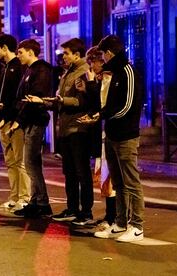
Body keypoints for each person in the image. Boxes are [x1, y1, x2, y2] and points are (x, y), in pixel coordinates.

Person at [78, 35, 145, 242]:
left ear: (109, 53)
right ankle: (120, 223)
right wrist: (99, 115)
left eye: (103, 54)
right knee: (118, 183)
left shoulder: (127, 72)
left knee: (131, 181)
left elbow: (128, 106)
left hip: (126, 135)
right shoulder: (114, 73)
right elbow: (109, 104)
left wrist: (102, 115)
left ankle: (137, 226)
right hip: (112, 134)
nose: (102, 59)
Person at [50, 38, 94, 225]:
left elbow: (85, 102)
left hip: (79, 128)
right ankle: (72, 208)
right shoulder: (68, 72)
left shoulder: (84, 72)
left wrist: (62, 101)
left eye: (66, 53)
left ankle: (86, 211)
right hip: (66, 128)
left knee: (82, 171)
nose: (63, 57)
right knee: (69, 172)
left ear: (77, 54)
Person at [10, 39, 53, 218]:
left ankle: (42, 202)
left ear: (30, 52)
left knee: (30, 163)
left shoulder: (41, 70)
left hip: (36, 120)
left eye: (20, 52)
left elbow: (34, 98)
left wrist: (19, 120)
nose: (18, 55)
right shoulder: (29, 70)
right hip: (29, 121)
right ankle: (36, 201)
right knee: (32, 163)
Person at [0, 34, 31, 212]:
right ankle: (14, 196)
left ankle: (25, 197)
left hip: (15, 121)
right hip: (3, 120)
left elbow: (20, 97)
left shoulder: (19, 67)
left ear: (5, 48)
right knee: (10, 161)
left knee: (20, 160)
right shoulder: (5, 67)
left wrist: (15, 118)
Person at [84, 46, 116, 229]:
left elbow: (102, 104)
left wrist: (90, 85)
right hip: (101, 134)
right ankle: (109, 215)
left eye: (93, 62)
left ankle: (115, 216)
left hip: (110, 133)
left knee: (111, 176)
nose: (91, 66)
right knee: (104, 174)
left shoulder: (109, 79)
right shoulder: (100, 79)